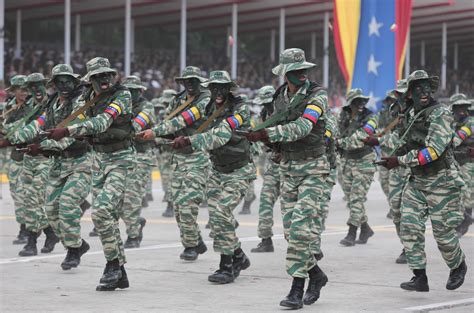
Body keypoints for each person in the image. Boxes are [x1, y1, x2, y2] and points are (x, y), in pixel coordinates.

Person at [246, 48, 329, 309]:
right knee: (292, 234)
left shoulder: (318, 96)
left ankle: (296, 288)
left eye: (304, 69)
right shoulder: (279, 98)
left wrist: (269, 135)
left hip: (314, 169)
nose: (302, 74)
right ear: (285, 74)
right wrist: (260, 137)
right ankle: (317, 275)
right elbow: (273, 135)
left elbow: (305, 126)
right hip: (289, 171)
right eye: (295, 71)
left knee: (302, 229)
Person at [48, 57, 135, 291]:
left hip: (120, 160)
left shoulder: (122, 96)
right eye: (97, 76)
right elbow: (80, 122)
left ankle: (111, 266)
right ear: (90, 80)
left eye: (106, 75)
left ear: (112, 76)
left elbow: (103, 122)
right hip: (98, 161)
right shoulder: (87, 98)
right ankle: (120, 272)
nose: (103, 79)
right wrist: (47, 140)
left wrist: (68, 129)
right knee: (109, 217)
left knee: (101, 211)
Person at [381, 70, 467, 292]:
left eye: (427, 87)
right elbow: (402, 141)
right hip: (418, 181)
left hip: (442, 182)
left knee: (443, 235)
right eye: (418, 88)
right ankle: (419, 277)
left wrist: (398, 161)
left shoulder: (441, 114)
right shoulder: (410, 115)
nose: (424, 92)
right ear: (409, 93)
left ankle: (457, 265)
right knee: (408, 226)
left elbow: (434, 152)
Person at [165, 70, 255, 284]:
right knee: (216, 217)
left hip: (239, 170)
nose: (218, 91)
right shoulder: (206, 108)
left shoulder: (240, 109)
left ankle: (227, 265)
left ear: (229, 89)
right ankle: (238, 256)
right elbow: (178, 121)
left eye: (222, 87)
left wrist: (189, 141)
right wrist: (154, 132)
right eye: (214, 87)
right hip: (217, 169)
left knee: (221, 211)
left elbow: (222, 134)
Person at [11, 64, 92, 268]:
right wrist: (16, 139)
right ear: (54, 84)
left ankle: (73, 251)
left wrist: (42, 147)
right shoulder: (52, 103)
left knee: (66, 206)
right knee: (51, 211)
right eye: (59, 82)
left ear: (75, 82)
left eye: (68, 81)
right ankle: (77, 245)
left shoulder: (81, 103)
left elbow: (70, 134)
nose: (64, 85)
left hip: (80, 161)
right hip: (58, 163)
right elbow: (38, 124)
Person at [138, 66, 210, 261]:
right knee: (178, 206)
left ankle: (190, 246)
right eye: (186, 82)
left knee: (187, 204)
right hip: (178, 158)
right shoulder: (178, 100)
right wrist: (157, 135)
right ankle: (195, 240)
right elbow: (168, 121)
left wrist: (155, 132)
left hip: (198, 156)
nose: (190, 85)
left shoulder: (206, 99)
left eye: (193, 81)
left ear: (199, 81)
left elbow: (185, 119)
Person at [3, 73, 59, 257]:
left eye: (38, 86)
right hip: (26, 157)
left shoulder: (54, 104)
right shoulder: (26, 107)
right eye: (30, 87)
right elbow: (10, 129)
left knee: (35, 197)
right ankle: (50, 233)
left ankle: (31, 242)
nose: (35, 90)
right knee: (27, 200)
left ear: (45, 86)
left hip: (45, 156)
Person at [337, 88, 378, 247]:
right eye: (356, 101)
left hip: (364, 160)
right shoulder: (343, 116)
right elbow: (338, 133)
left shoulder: (371, 118)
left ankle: (351, 232)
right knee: (352, 199)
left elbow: (359, 138)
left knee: (356, 198)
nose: (360, 104)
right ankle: (366, 228)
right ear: (350, 104)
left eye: (362, 101)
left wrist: (338, 143)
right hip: (347, 161)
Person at [119, 76, 155, 248]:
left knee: (131, 198)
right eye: (127, 90)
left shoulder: (147, 107)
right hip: (121, 156)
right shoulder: (119, 107)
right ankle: (136, 222)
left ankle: (133, 235)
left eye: (134, 90)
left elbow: (136, 126)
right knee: (117, 200)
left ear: (140, 91)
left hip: (140, 156)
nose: (130, 94)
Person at [249, 86, 279, 253]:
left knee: (294, 209)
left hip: (291, 166)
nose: (267, 106)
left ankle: (307, 245)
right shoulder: (263, 116)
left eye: (269, 103)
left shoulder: (287, 112)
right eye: (264, 104)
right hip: (274, 164)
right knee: (265, 202)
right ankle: (266, 240)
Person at [1, 75, 29, 245]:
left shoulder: (36, 107)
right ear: (14, 91)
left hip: (36, 156)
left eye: (26, 89)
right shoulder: (9, 107)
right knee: (17, 194)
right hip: (17, 155)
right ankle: (24, 228)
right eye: (20, 89)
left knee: (35, 196)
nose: (24, 93)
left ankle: (37, 230)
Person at [448, 93, 473, 237]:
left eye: (463, 107)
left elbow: (457, 139)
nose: (461, 110)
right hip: (460, 162)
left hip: (468, 163)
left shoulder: (469, 123)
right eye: (458, 107)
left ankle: (465, 223)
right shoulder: (456, 123)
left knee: (466, 194)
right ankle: (465, 219)